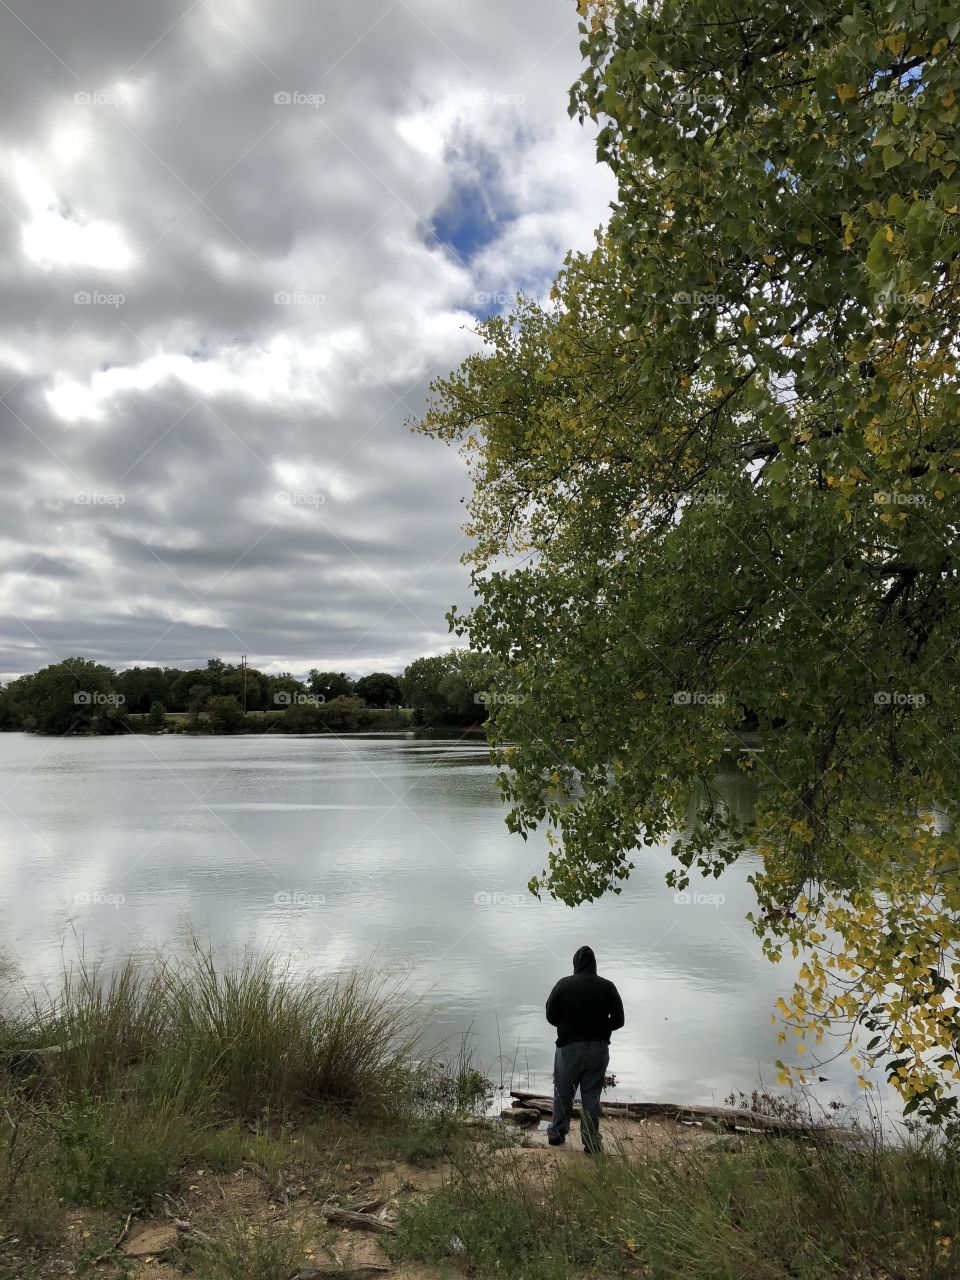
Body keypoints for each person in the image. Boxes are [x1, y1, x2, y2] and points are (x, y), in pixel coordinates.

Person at [545, 945, 624, 1152]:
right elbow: (619, 1020)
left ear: (575, 964)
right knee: (591, 1095)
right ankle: (590, 1141)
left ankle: (557, 1133)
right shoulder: (607, 987)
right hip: (598, 1049)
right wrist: (602, 1029)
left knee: (563, 1090)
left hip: (568, 1048)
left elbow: (550, 1016)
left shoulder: (563, 985)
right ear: (595, 965)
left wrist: (567, 1026)